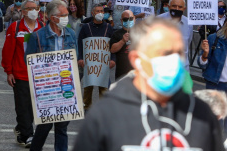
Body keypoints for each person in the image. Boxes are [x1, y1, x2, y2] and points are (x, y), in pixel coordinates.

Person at [73, 17, 224, 151]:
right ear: (136, 59)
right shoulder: (105, 115)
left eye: (177, 52)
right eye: (162, 53)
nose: (172, 59)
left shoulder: (201, 115)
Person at [25, 0, 78, 151]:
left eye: (67, 15)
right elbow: (28, 61)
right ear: (52, 17)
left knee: (62, 128)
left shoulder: (71, 34)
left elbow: (74, 59)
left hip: (65, 87)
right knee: (44, 127)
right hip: (47, 90)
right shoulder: (37, 37)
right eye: (63, 15)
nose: (66, 18)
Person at [2, 0, 43, 147]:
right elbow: (8, 51)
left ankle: (21, 128)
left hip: (39, 75)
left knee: (33, 107)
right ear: (23, 11)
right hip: (21, 74)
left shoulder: (43, 27)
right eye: (31, 8)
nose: (34, 10)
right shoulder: (15, 27)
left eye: (36, 8)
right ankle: (27, 135)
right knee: (23, 105)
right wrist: (9, 71)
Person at [77, 3, 115, 110]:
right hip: (89, 63)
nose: (100, 13)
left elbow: (112, 44)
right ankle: (86, 107)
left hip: (103, 62)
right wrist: (80, 58)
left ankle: (103, 109)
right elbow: (80, 43)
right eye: (97, 11)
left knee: (104, 86)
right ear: (93, 13)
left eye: (101, 11)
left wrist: (113, 59)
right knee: (88, 86)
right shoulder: (85, 27)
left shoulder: (108, 27)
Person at [157, 0, 192, 71]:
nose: (177, 9)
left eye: (180, 7)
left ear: (184, 9)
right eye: (174, 6)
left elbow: (187, 44)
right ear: (169, 7)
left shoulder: (189, 24)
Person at [110, 10, 135, 80]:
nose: (128, 21)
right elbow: (112, 49)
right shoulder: (116, 34)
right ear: (121, 20)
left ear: (134, 18)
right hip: (121, 73)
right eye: (125, 19)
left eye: (130, 19)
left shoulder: (140, 33)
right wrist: (122, 41)